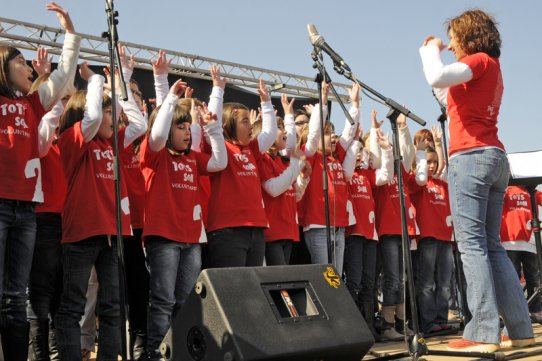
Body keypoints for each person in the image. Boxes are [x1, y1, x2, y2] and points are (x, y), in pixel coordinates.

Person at [420, 9, 534, 352]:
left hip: (471, 159)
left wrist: (429, 48)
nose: (451, 45)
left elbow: (436, 76)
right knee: (491, 246)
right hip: (493, 157)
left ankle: (483, 331)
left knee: (472, 246)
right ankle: (519, 327)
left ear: (468, 37)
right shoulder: (489, 69)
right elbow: (448, 96)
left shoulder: (480, 61)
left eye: (454, 38)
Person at [0, 3, 80, 359]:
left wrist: (70, 34)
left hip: (27, 212)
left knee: (17, 296)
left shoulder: (33, 106)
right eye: (20, 62)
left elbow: (62, 77)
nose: (29, 67)